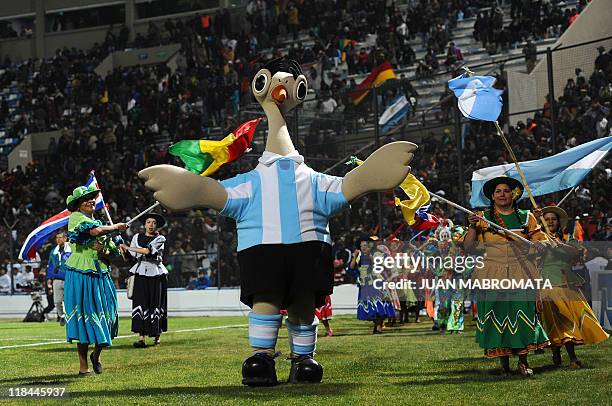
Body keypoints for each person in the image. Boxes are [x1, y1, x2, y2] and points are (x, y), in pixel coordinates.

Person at [462, 177, 550, 377]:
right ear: (492, 197)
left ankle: (523, 361)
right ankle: (504, 363)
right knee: (498, 316)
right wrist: (473, 227)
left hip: (522, 273)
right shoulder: (481, 218)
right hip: (492, 274)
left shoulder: (527, 217)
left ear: (513, 195)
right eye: (498, 191)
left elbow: (542, 242)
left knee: (522, 315)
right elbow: (468, 247)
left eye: (506, 191)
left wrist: (538, 245)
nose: (502, 194)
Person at [63, 185, 128, 376]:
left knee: (107, 316)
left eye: (92, 197)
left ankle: (96, 355)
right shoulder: (76, 218)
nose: (91, 200)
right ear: (77, 205)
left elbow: (114, 254)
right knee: (84, 318)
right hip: (81, 275)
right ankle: (83, 367)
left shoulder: (99, 224)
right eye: (86, 199)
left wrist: (106, 250)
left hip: (101, 274)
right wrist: (115, 227)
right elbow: (93, 232)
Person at [537, 206, 609, 368]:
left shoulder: (568, 238)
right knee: (554, 319)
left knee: (570, 319)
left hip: (568, 285)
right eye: (546, 219)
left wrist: (558, 245)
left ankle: (572, 357)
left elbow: (577, 253)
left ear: (559, 222)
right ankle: (557, 353)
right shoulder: (536, 240)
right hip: (546, 284)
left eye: (553, 219)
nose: (550, 222)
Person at [120, 212, 168, 348]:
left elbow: (148, 251)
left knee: (156, 303)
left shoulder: (160, 238)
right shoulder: (136, 237)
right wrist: (123, 249)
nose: (151, 225)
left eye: (153, 223)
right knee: (140, 304)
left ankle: (157, 337)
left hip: (156, 274)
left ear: (157, 225)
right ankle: (141, 338)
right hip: (140, 273)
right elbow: (132, 257)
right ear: (144, 224)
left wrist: (128, 247)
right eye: (148, 222)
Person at [46, 231, 71, 325]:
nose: (58, 239)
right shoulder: (53, 251)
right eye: (57, 238)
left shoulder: (72, 249)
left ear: (65, 238)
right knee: (57, 301)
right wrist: (49, 279)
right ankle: (62, 316)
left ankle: (70, 317)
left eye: (60, 237)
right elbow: (51, 265)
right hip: (56, 279)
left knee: (69, 300)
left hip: (69, 278)